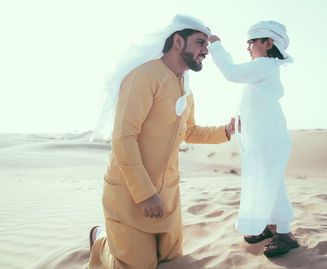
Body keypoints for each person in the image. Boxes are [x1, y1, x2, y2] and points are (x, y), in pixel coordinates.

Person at [88, 15, 236, 269]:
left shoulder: (185, 89)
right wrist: (145, 193)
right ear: (178, 41)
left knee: (170, 258)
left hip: (167, 197)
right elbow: (124, 137)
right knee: (138, 265)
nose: (206, 51)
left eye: (207, 46)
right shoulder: (143, 76)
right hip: (131, 193)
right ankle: (101, 240)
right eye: (200, 42)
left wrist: (225, 131)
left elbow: (189, 132)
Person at [208, 20, 298, 257]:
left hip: (269, 140)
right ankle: (267, 226)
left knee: (271, 182)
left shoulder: (265, 65)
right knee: (261, 181)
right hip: (262, 140)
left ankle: (285, 233)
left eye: (252, 42)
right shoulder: (264, 68)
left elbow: (231, 73)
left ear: (268, 44)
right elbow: (252, 101)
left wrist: (216, 47)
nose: (248, 47)